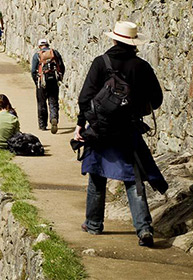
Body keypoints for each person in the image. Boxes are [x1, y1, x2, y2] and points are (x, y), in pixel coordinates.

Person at [74, 21, 166, 247]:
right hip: (128, 130)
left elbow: (85, 98)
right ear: (133, 43)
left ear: (114, 39)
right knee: (134, 179)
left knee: (97, 176)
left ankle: (94, 224)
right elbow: (156, 100)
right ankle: (144, 229)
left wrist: (81, 125)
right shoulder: (141, 67)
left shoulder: (100, 63)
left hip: (99, 130)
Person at [30, 39, 65, 133]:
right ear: (47, 45)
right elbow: (61, 66)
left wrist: (36, 81)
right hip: (53, 80)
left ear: (39, 46)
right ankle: (54, 118)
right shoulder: (55, 53)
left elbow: (33, 71)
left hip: (42, 81)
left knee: (41, 103)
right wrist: (59, 78)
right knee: (53, 101)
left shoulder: (37, 55)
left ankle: (42, 125)